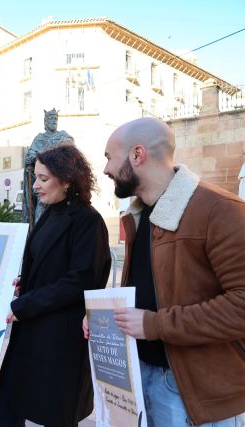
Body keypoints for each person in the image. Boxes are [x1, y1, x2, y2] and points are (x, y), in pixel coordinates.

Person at [84, 117, 245, 426]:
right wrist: (105, 319)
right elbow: (149, 291)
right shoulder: (138, 215)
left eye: (108, 157)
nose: (105, 169)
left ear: (137, 155)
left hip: (193, 391)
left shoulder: (221, 210)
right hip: (139, 375)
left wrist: (156, 325)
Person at [0, 143, 111, 427]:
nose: (35, 185)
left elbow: (81, 280)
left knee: (56, 414)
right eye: (35, 177)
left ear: (68, 180)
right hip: (30, 334)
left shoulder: (88, 220)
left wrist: (24, 305)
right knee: (9, 408)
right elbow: (48, 264)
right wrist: (26, 281)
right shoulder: (51, 211)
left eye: (43, 179)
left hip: (59, 340)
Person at [22, 108, 74, 225]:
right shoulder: (39, 138)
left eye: (55, 118)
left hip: (59, 187)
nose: (53, 121)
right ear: (45, 121)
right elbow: (29, 158)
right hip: (42, 190)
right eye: (50, 118)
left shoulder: (63, 136)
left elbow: (69, 149)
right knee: (39, 221)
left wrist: (42, 153)